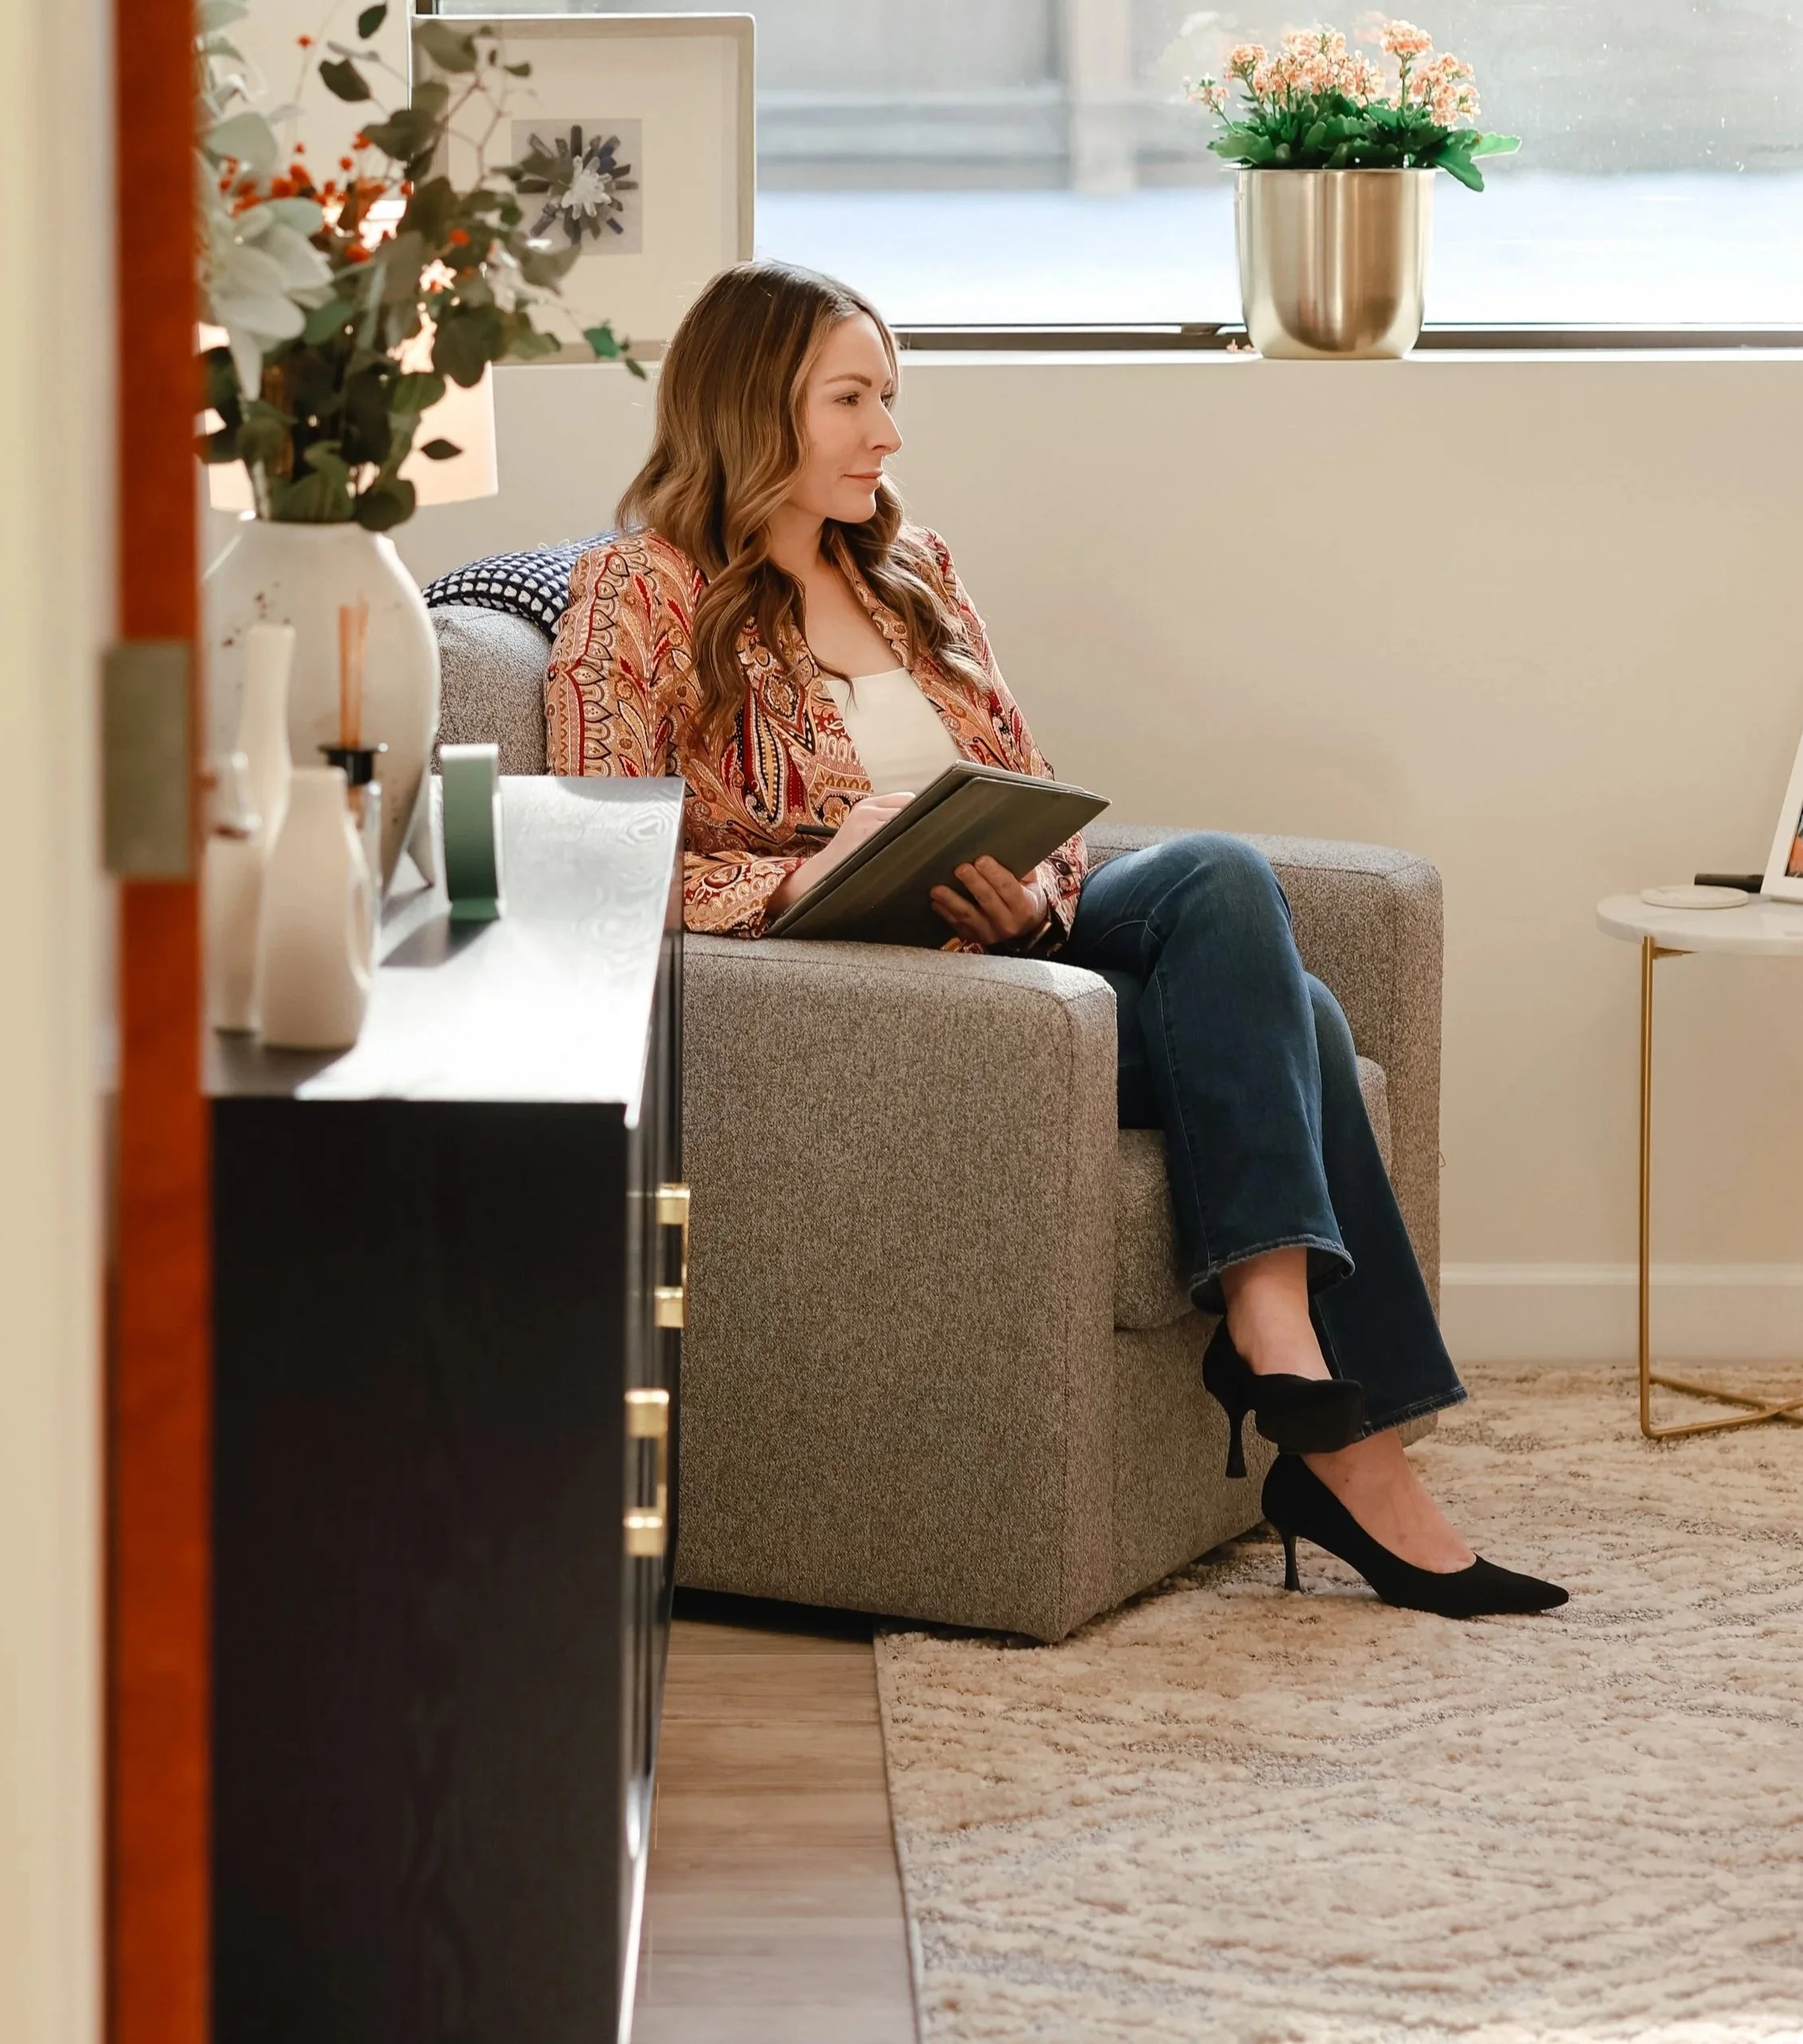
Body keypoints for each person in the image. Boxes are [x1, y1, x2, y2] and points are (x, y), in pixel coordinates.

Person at [546, 261, 1567, 1620]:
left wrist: (1033, 901)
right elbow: (599, 857)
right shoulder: (638, 592)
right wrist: (800, 889)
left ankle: (1293, 1371)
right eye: (851, 398)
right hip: (869, 1001)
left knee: (1216, 880)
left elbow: (1030, 786)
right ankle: (1331, 1432)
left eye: (888, 397)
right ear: (750, 404)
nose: (887, 434)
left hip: (1020, 957)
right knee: (1304, 1020)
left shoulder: (913, 572)